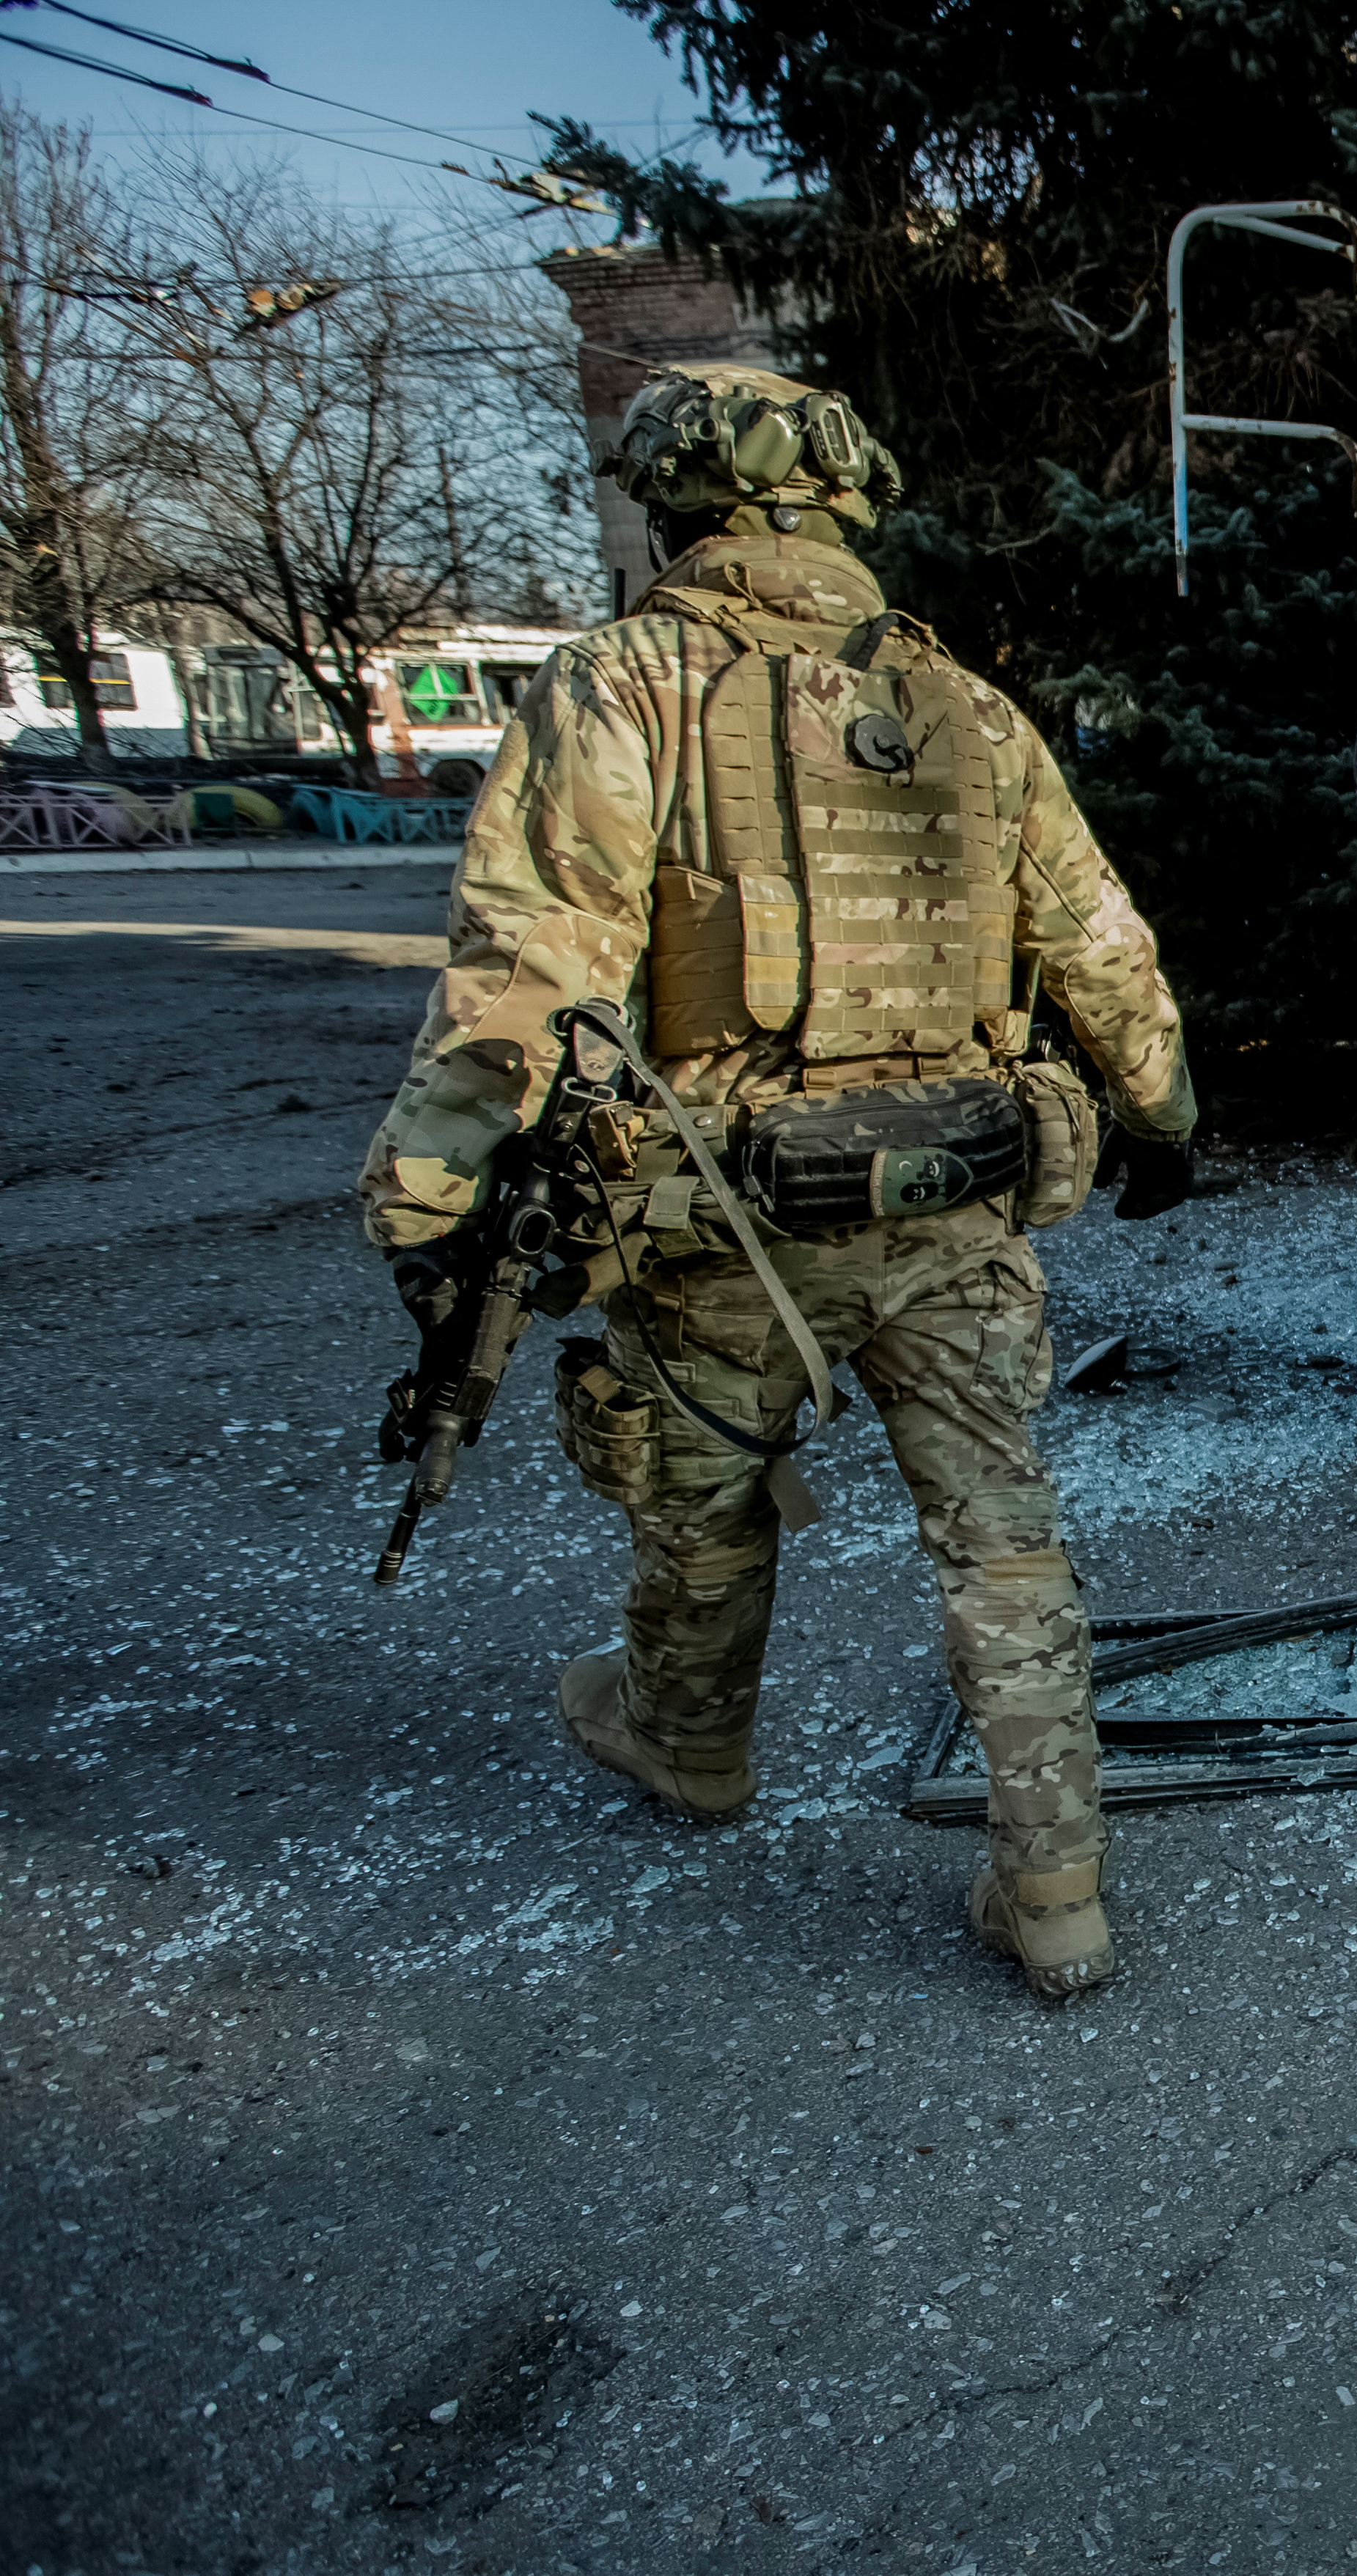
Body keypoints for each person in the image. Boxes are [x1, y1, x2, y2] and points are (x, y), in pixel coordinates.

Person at [358, 362, 1195, 2002]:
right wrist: (1162, 1111)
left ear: (672, 504)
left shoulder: (622, 687)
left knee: (706, 1507)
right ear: (844, 509)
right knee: (1002, 1535)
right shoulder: (968, 706)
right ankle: (1057, 1888)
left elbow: (524, 980)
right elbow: (1101, 943)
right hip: (956, 1201)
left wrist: (422, 1204)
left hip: (720, 1220)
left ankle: (690, 1745)